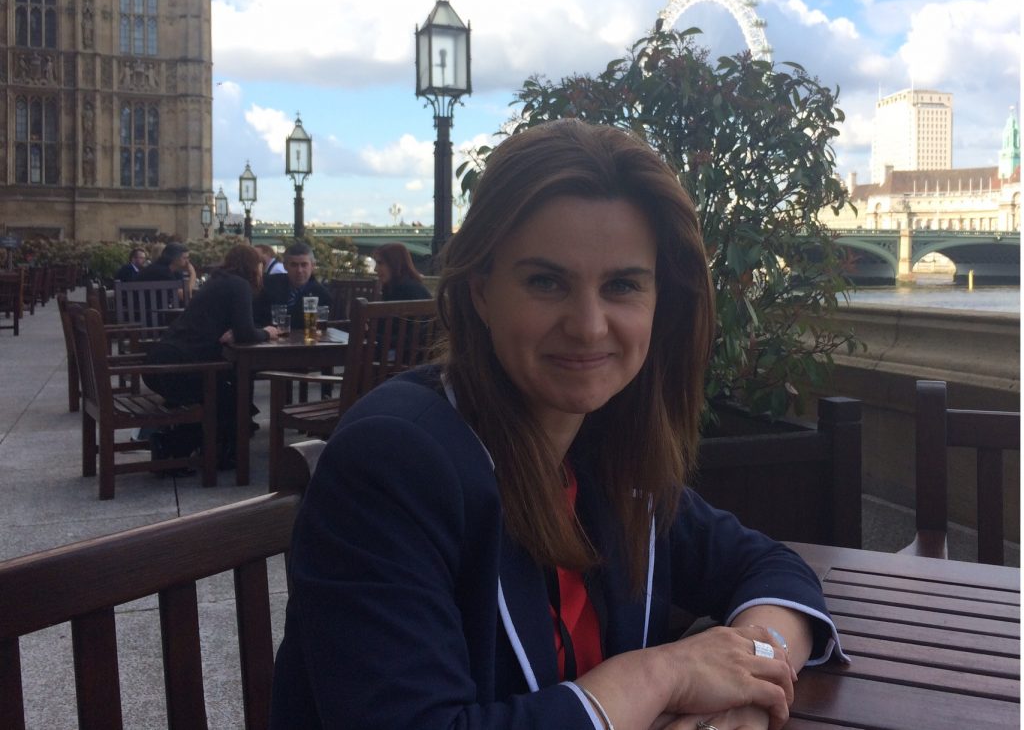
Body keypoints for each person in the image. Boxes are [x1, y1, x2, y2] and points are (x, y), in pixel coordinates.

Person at [270, 120, 847, 730]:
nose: (589, 325)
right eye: (546, 282)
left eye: (622, 285)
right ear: (482, 292)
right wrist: (661, 673)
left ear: (660, 304)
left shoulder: (601, 447)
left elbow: (772, 568)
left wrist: (751, 681)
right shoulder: (394, 460)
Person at [142, 244, 278, 470]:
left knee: (228, 389)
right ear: (254, 266)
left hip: (160, 362)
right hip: (177, 370)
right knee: (231, 394)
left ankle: (192, 448)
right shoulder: (240, 285)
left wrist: (234, 332)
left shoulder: (218, 281)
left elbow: (228, 326)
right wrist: (268, 332)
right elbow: (246, 333)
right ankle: (184, 449)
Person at [254, 242, 331, 329]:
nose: (299, 270)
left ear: (313, 266)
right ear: (285, 266)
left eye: (304, 265)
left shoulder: (321, 294)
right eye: (294, 265)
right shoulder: (269, 285)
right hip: (270, 339)